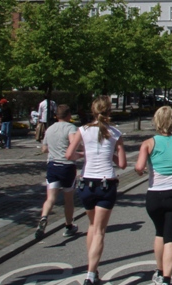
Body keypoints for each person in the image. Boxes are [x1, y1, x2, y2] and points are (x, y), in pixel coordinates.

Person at [66, 96, 127, 285]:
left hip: (87, 183)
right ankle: (91, 274)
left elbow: (69, 155)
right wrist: (112, 157)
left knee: (92, 227)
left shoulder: (82, 130)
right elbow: (123, 164)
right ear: (109, 111)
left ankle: (91, 267)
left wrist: (83, 154)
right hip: (106, 184)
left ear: (93, 111)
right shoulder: (115, 133)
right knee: (100, 230)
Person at [135, 106, 172, 285]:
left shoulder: (148, 143)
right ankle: (166, 279)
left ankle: (160, 271)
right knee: (171, 237)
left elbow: (139, 167)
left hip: (155, 195)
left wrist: (142, 169)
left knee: (159, 232)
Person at [35, 104, 80, 240]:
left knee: (51, 198)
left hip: (53, 165)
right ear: (68, 115)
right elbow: (73, 144)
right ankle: (68, 225)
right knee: (68, 198)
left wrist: (55, 149)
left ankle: (43, 217)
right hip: (66, 166)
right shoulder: (70, 128)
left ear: (56, 115)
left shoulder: (50, 129)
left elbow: (43, 149)